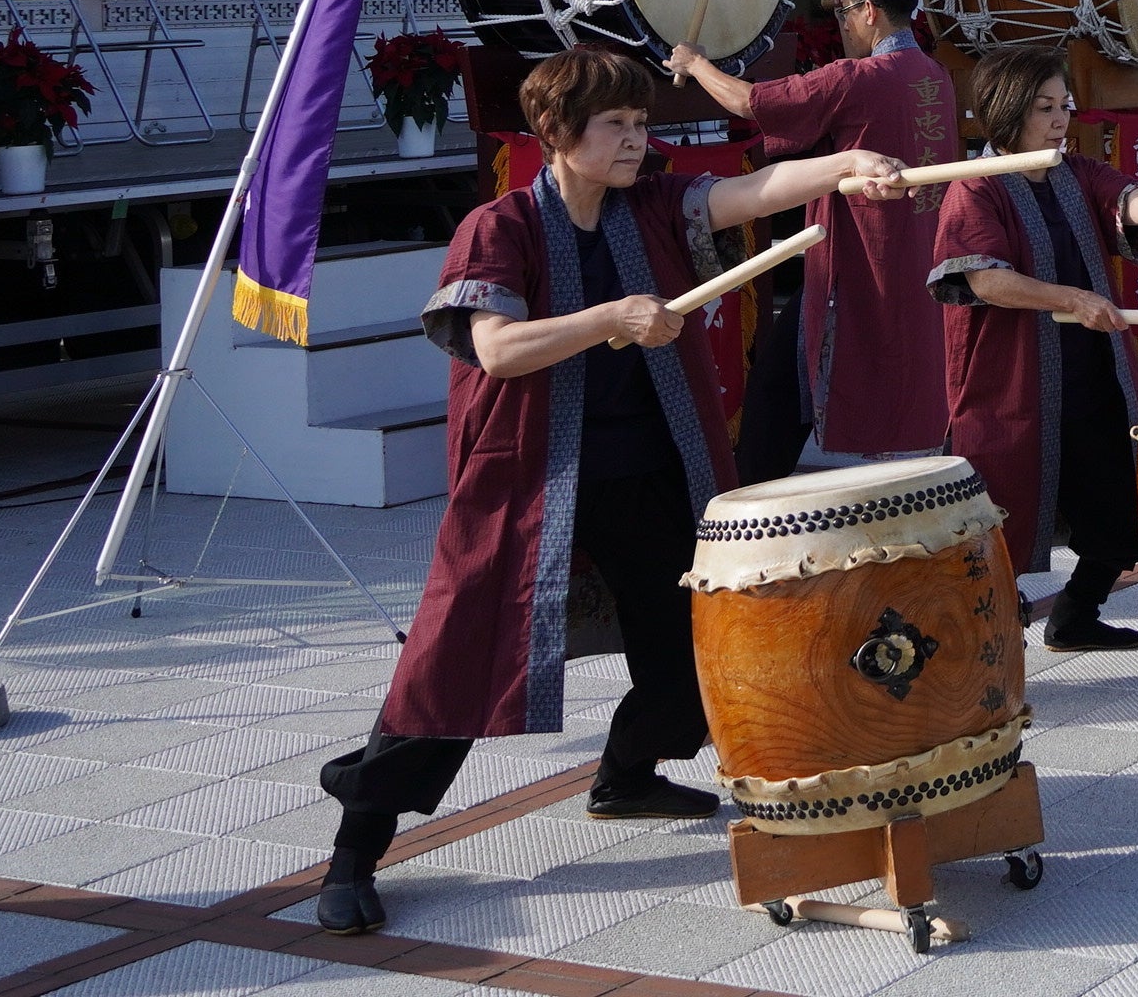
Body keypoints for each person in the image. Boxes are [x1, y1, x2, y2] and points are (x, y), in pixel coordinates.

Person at [314, 48, 909, 937]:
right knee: (456, 657)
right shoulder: (501, 226)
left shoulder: (654, 208)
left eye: (642, 122)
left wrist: (848, 166)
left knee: (691, 646)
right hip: (530, 480)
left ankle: (626, 775)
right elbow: (496, 350)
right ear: (557, 134)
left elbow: (753, 192)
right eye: (617, 126)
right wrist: (611, 319)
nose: (638, 140)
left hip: (652, 473)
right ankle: (354, 851)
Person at [926, 45, 1138, 651]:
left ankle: (1075, 615)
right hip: (1010, 384)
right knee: (997, 512)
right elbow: (985, 280)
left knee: (1118, 500)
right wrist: (1072, 297)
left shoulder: (1076, 174)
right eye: (1044, 107)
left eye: (1065, 105)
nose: (1060, 119)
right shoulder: (974, 189)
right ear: (1007, 110)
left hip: (1091, 374)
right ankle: (978, 645)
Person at [668, 0, 959, 479]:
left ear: (869, 11)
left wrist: (693, 63)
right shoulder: (934, 76)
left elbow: (747, 101)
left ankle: (749, 502)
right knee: (788, 382)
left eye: (843, 12)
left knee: (781, 387)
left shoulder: (857, 77)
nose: (840, 25)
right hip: (909, 260)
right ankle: (758, 486)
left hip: (855, 265)